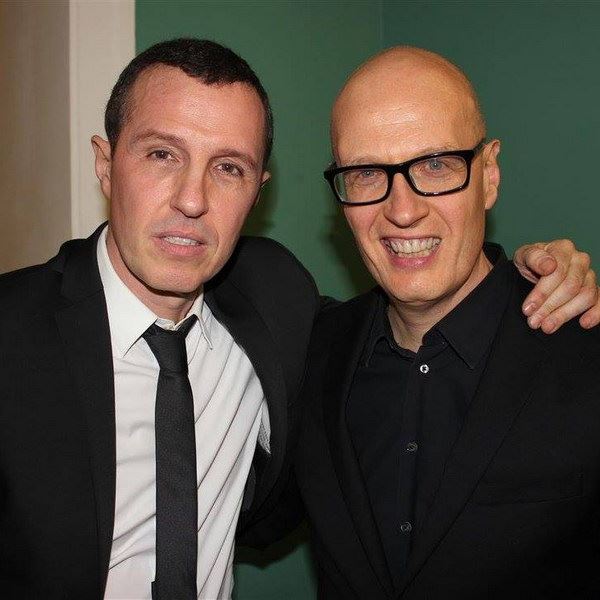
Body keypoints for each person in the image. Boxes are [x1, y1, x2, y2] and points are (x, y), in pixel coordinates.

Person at [0, 38, 595, 600]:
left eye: (228, 167)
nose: (192, 199)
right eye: (162, 154)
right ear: (105, 164)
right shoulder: (15, 333)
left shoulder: (281, 308)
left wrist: (552, 270)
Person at [292, 46, 600, 599]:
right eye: (366, 173)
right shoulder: (312, 353)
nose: (402, 210)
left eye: (436, 165)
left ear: (490, 175)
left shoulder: (585, 352)